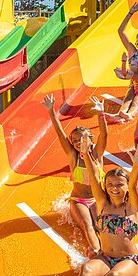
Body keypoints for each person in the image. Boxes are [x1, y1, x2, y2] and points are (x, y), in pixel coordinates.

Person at [54, 139, 138, 276]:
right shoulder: (102, 204)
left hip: (127, 260)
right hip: (105, 257)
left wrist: (136, 165)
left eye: (119, 184)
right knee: (87, 269)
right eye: (110, 184)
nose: (114, 188)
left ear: (126, 187)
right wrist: (86, 154)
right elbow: (94, 176)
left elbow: (134, 186)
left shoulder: (131, 207)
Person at [42, 93, 109, 259]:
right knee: (88, 225)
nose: (79, 143)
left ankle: (110, 250)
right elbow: (60, 133)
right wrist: (51, 110)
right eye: (76, 141)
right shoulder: (73, 156)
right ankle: (97, 253)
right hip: (79, 200)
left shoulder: (97, 154)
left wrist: (101, 114)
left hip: (97, 199)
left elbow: (104, 134)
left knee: (100, 225)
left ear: (91, 140)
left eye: (83, 139)